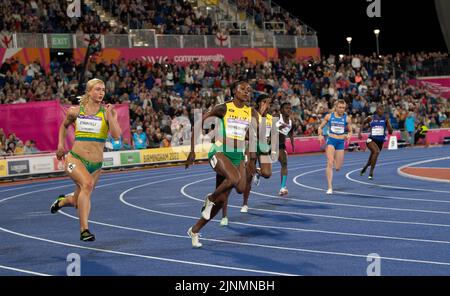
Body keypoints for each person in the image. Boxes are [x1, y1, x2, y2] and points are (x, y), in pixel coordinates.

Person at [185, 80, 257, 247]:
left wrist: (252, 159)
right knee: (232, 179)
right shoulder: (224, 108)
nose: (247, 91)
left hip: (237, 156)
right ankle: (209, 198)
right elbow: (198, 124)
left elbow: (253, 136)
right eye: (243, 89)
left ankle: (194, 230)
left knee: (235, 192)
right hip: (220, 152)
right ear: (234, 91)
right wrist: (192, 151)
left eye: (249, 90)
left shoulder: (251, 112)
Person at [50, 78, 121, 241]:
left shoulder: (107, 112)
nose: (101, 92)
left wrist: (111, 115)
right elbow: (63, 126)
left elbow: (116, 136)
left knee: (78, 200)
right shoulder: (75, 111)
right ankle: (84, 230)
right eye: (97, 89)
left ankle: (62, 201)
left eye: (103, 89)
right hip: (75, 159)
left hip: (96, 165)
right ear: (89, 92)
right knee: (87, 185)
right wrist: (61, 145)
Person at [221, 94, 274, 225]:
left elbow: (272, 134)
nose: (269, 105)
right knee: (242, 180)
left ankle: (256, 172)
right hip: (250, 144)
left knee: (267, 173)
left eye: (270, 103)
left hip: (263, 145)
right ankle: (242, 205)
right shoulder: (251, 113)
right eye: (267, 103)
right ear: (261, 102)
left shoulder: (271, 118)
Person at [317, 100, 353, 195]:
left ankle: (335, 170)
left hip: (341, 142)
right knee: (330, 162)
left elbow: (350, 131)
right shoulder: (329, 116)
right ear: (336, 107)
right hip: (331, 140)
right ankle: (329, 187)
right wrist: (320, 134)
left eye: (343, 108)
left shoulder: (347, 118)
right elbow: (320, 127)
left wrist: (349, 135)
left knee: (337, 167)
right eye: (340, 107)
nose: (342, 109)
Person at [359, 105, 393, 180]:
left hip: (380, 142)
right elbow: (363, 123)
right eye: (380, 109)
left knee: (371, 159)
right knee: (376, 152)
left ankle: (365, 167)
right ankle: (371, 173)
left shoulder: (385, 119)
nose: (382, 111)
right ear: (377, 110)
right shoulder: (370, 118)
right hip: (371, 140)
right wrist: (359, 133)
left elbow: (390, 132)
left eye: (382, 110)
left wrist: (389, 126)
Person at [275, 102, 295, 196]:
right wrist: (278, 127)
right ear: (281, 110)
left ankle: (283, 187)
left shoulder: (291, 122)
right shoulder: (277, 117)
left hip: (281, 145)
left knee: (284, 164)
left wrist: (292, 143)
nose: (289, 110)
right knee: (266, 171)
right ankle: (258, 171)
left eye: (290, 108)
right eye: (286, 108)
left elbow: (291, 132)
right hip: (270, 144)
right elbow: (265, 127)